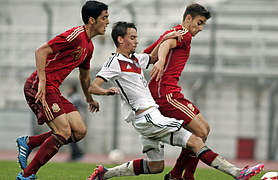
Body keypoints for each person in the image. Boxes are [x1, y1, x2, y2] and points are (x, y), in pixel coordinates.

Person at [87, 21, 264, 180]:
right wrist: (106, 92)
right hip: (148, 118)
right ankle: (238, 173)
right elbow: (93, 86)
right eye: (132, 38)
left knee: (156, 167)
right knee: (195, 141)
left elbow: (153, 57)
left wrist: (168, 36)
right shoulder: (114, 62)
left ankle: (105, 174)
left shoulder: (134, 59)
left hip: (148, 119)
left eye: (136, 37)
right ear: (120, 39)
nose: (136, 41)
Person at [15, 1, 114, 179]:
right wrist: (42, 81)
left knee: (79, 131)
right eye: (104, 18)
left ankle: (30, 142)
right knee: (63, 132)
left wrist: (89, 98)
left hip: (54, 90)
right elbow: (41, 51)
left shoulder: (89, 47)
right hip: (39, 86)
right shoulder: (75, 35)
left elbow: (85, 77)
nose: (108, 22)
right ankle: (27, 175)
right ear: (92, 20)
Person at [143, 3, 213, 179]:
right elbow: (166, 45)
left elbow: (148, 54)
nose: (201, 28)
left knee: (204, 129)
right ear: (188, 18)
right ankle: (185, 175)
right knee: (201, 132)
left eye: (203, 24)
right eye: (199, 22)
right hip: (165, 93)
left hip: (171, 92)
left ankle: (177, 175)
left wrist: (158, 54)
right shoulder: (183, 34)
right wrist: (161, 60)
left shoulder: (171, 32)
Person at [65, 84, 85, 161]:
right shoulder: (73, 97)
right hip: (72, 120)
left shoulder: (75, 98)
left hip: (74, 120)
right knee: (71, 138)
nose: (68, 91)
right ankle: (76, 154)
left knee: (71, 138)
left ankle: (76, 154)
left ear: (73, 89)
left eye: (69, 89)